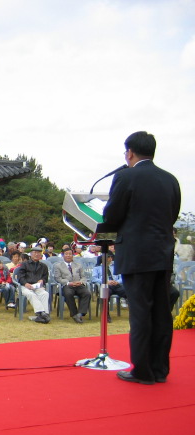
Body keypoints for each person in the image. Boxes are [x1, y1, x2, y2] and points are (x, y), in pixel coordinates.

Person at [102, 131, 180, 385]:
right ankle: (159, 369)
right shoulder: (170, 179)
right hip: (162, 252)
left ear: (130, 152)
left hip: (136, 253)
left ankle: (142, 371)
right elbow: (173, 214)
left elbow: (112, 215)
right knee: (161, 312)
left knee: (140, 312)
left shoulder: (125, 176)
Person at [53, 248, 91, 323]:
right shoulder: (58, 266)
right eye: (66, 254)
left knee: (87, 293)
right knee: (68, 294)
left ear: (72, 255)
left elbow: (83, 276)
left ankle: (80, 314)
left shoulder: (78, 265)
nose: (68, 255)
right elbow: (57, 278)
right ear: (63, 255)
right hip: (67, 285)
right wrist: (68, 283)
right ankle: (74, 314)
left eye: (70, 254)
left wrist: (81, 282)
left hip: (78, 285)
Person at [15, 246, 50, 323]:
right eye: (35, 253)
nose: (36, 255)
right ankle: (41, 313)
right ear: (31, 254)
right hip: (25, 286)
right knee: (31, 294)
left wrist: (42, 280)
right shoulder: (24, 264)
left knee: (45, 293)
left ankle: (45, 314)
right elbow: (20, 276)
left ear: (41, 255)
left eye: (38, 253)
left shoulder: (43, 266)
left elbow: (45, 278)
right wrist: (25, 283)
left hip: (37, 286)